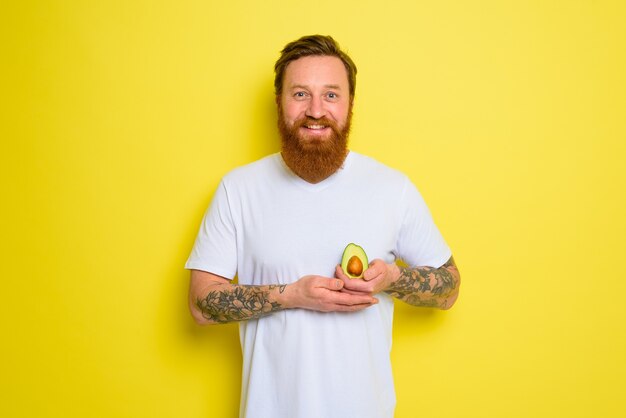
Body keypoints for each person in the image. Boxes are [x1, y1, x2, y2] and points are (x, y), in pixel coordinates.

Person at [186, 34, 460, 418]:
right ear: (279, 102)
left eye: (331, 95)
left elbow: (448, 290)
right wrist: (292, 294)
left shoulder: (392, 188)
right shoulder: (239, 188)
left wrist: (392, 279)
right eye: (300, 94)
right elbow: (201, 303)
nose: (316, 110)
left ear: (350, 104)